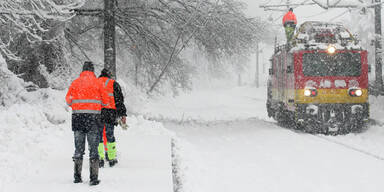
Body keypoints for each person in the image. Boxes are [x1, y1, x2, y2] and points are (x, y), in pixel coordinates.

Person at [65, 61, 109, 186]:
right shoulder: (98, 83)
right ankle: (93, 178)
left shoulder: (75, 82)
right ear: (93, 70)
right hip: (93, 119)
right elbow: (105, 101)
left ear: (83, 70)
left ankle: (77, 176)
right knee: (93, 148)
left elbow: (68, 100)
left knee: (79, 148)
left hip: (78, 118)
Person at [97, 68, 127, 168]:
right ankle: (111, 158)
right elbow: (119, 101)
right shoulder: (113, 84)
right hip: (110, 113)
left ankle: (99, 158)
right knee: (109, 135)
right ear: (109, 75)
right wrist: (122, 115)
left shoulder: (96, 83)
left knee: (98, 136)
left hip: (98, 112)